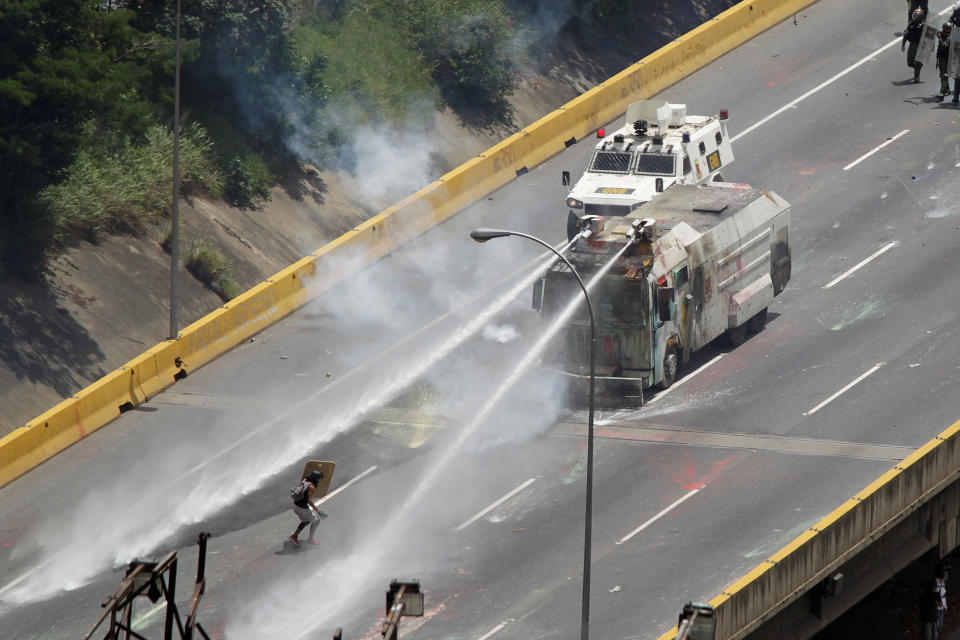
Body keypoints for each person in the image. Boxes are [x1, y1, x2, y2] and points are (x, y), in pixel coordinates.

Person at [289, 470, 327, 547]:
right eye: (319, 479)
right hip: (302, 509)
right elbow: (309, 501)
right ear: (316, 479)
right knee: (316, 520)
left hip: (296, 505)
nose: (319, 481)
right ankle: (310, 539)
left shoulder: (306, 480)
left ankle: (294, 536)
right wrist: (319, 511)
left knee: (306, 521)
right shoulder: (311, 487)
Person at [903, 8, 926, 83]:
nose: (915, 17)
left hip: (921, 46)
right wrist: (903, 45)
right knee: (910, 62)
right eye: (914, 15)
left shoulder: (924, 26)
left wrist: (930, 47)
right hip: (912, 45)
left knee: (918, 62)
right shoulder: (910, 25)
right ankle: (917, 68)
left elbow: (930, 37)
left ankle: (917, 77)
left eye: (917, 16)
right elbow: (906, 35)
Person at [937, 22, 953, 100]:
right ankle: (946, 88)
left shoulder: (950, 37)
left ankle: (942, 92)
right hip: (941, 58)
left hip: (947, 59)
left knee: (944, 75)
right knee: (943, 75)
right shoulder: (942, 34)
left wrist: (939, 38)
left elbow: (944, 46)